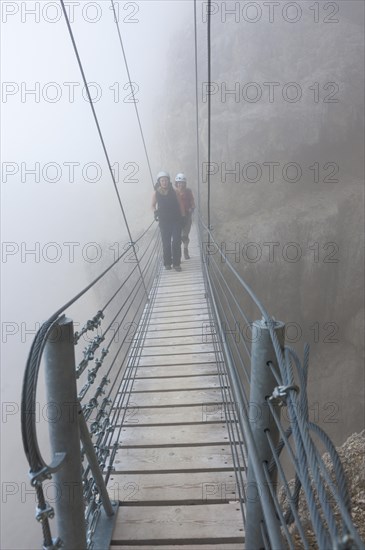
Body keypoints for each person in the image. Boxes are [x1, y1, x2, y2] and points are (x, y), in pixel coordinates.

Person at [152, 171, 183, 271]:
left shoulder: (175, 191)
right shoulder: (156, 193)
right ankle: (167, 263)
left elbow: (180, 204)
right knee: (166, 243)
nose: (164, 182)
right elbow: (152, 205)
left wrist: (183, 216)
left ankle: (177, 264)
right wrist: (155, 212)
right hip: (164, 222)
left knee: (176, 242)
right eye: (162, 180)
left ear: (168, 181)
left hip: (176, 220)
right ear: (159, 182)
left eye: (165, 180)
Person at [174, 173, 195, 259]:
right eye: (179, 182)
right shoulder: (173, 192)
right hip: (177, 217)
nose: (180, 184)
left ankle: (185, 250)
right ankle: (177, 255)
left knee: (184, 236)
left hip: (187, 216)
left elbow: (192, 202)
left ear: (184, 183)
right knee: (177, 237)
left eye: (182, 182)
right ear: (176, 183)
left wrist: (192, 208)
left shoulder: (188, 191)